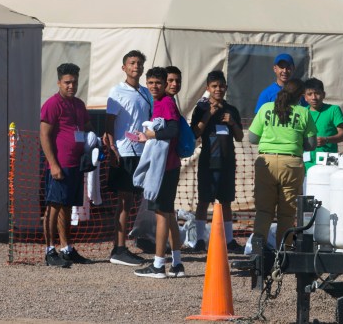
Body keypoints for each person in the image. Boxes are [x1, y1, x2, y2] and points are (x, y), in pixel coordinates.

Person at [248, 78, 317, 249]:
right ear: (301, 95)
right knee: (287, 213)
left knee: (264, 210)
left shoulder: (265, 109)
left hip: (266, 163)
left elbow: (252, 138)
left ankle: (258, 250)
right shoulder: (304, 112)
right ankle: (284, 253)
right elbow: (311, 144)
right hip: (292, 165)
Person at [40, 63, 95, 267]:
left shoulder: (79, 105)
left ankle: (66, 248)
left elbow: (87, 127)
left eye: (74, 82)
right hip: (59, 164)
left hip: (76, 164)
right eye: (67, 82)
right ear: (59, 83)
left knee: (67, 207)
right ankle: (49, 250)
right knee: (53, 207)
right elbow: (44, 135)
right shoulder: (52, 104)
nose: (71, 86)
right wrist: (53, 165)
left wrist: (96, 140)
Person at [133, 67, 186, 279]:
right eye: (151, 83)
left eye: (158, 83)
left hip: (165, 168)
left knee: (161, 214)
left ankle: (158, 265)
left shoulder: (165, 103)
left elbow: (173, 130)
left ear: (165, 84)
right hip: (169, 166)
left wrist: (151, 134)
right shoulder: (161, 103)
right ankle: (178, 263)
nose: (154, 86)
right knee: (169, 213)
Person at [102, 50, 152, 266]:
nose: (136, 67)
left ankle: (124, 245)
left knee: (132, 201)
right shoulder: (117, 91)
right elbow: (109, 123)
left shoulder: (146, 92)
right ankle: (118, 248)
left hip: (142, 151)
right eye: (132, 63)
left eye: (139, 63)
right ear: (124, 67)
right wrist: (112, 147)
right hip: (124, 151)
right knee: (123, 201)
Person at [190, 70, 244, 253]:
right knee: (204, 201)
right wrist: (207, 115)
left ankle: (228, 240)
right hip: (208, 162)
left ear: (226, 87)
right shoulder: (201, 108)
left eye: (221, 86)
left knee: (226, 202)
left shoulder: (232, 110)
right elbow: (195, 134)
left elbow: (240, 136)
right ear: (208, 88)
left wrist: (232, 123)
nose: (218, 89)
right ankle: (199, 240)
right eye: (214, 86)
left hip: (227, 162)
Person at [303, 78, 343, 171]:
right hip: (305, 167)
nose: (314, 97)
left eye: (317, 93)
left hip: (328, 167)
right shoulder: (302, 112)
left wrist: (326, 140)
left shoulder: (333, 110)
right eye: (310, 94)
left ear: (323, 95)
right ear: (305, 97)